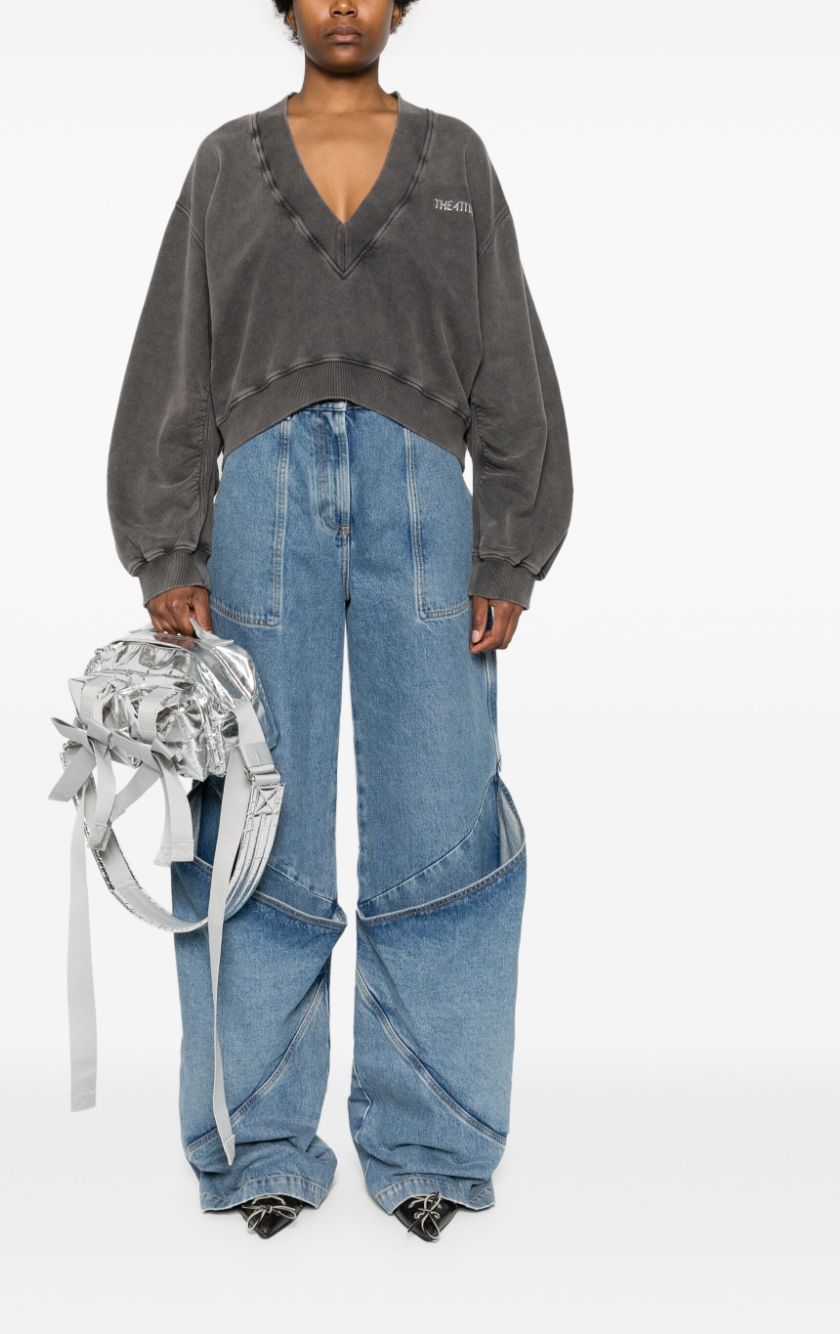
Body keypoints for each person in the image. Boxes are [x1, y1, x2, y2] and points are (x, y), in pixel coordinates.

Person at [105, 0, 573, 1243]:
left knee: (442, 813)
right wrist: (168, 544)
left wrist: (509, 544)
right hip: (257, 508)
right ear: (284, 6)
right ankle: (259, 1140)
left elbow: (508, 358)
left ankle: (431, 1141)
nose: (345, 6)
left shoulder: (458, 158)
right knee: (256, 825)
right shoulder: (225, 161)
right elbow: (176, 355)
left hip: (426, 505)